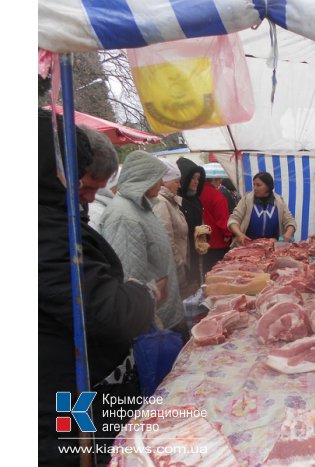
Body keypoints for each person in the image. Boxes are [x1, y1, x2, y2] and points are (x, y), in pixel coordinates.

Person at [38, 108, 161, 465]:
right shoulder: (41, 229)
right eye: (81, 181)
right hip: (64, 402)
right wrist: (143, 292)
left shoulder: (56, 220)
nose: (87, 195)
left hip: (88, 390)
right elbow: (108, 311)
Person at [99, 151, 188, 339]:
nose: (162, 183)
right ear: (143, 179)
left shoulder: (141, 207)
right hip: (153, 323)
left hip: (165, 312)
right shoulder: (123, 217)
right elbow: (129, 276)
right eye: (157, 179)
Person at [153, 159, 190, 298]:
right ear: (164, 182)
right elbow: (166, 236)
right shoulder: (161, 202)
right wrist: (179, 262)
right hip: (174, 266)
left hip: (179, 263)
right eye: (176, 181)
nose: (179, 185)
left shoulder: (170, 200)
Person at [228, 171, 297, 244]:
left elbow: (290, 221)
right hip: (249, 245)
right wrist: (239, 234)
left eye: (258, 185)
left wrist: (288, 234)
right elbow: (233, 220)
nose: (255, 188)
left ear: (268, 186)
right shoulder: (246, 200)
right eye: (254, 185)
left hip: (273, 244)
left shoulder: (279, 201)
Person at [176, 157, 206, 288]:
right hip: (184, 256)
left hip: (197, 253)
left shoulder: (196, 200)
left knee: (196, 283)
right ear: (184, 178)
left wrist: (204, 233)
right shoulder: (176, 201)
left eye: (198, 178)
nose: (196, 182)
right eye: (193, 178)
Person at [200, 163, 234, 273]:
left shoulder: (197, 194)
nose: (219, 183)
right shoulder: (217, 196)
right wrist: (228, 234)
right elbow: (223, 219)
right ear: (215, 179)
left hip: (202, 240)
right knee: (219, 272)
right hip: (218, 241)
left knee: (207, 271)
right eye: (219, 180)